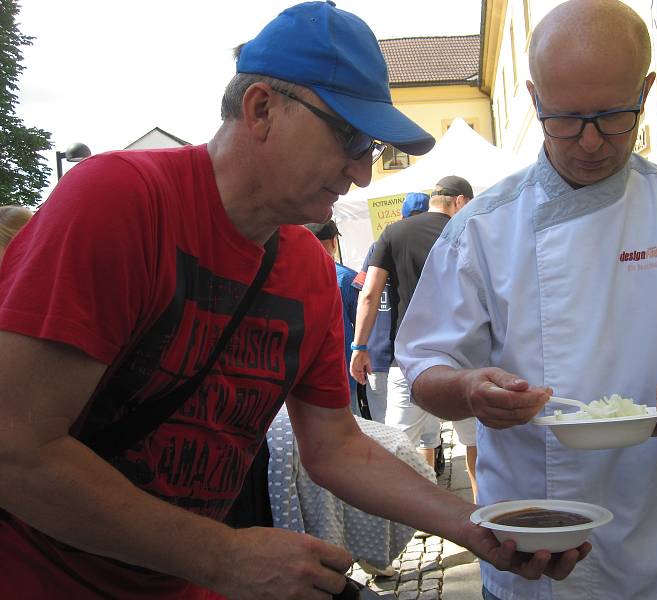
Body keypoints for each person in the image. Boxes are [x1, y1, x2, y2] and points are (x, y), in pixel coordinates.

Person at [0, 3, 588, 599]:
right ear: (261, 109)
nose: (363, 172)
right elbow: (16, 449)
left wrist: (477, 527)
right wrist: (224, 555)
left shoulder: (305, 267)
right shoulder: (121, 200)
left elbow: (334, 447)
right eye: (353, 138)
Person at [394, 1, 657, 599]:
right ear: (534, 99)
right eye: (565, 119)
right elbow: (423, 369)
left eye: (614, 116)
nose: (590, 142)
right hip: (525, 556)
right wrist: (466, 389)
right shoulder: (481, 229)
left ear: (648, 89)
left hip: (655, 559)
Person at [350, 177, 479, 501]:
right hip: (464, 356)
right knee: (477, 446)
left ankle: (407, 517)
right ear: (460, 201)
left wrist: (359, 347)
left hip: (411, 358)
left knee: (396, 445)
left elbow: (369, 295)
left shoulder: (394, 232)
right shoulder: (468, 231)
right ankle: (483, 516)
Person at [351, 192, 429, 424]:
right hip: (414, 353)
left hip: (377, 352)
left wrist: (359, 345)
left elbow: (363, 293)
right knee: (424, 436)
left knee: (385, 430)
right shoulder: (429, 243)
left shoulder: (381, 244)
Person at [305, 219, 360, 415]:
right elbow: (362, 323)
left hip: (304, 376)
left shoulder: (292, 275)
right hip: (342, 371)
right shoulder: (347, 278)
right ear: (334, 242)